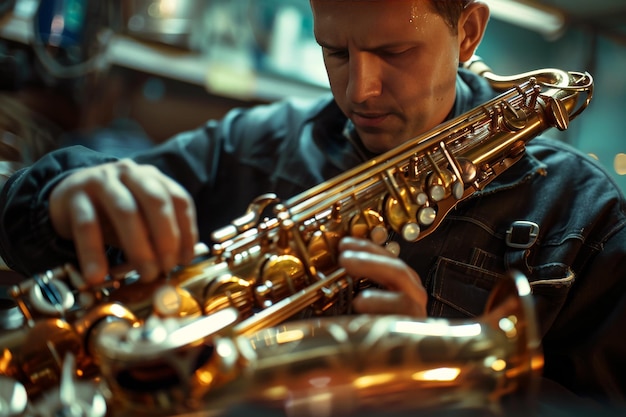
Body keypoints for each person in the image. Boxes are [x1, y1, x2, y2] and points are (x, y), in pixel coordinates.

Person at [0, 0, 625, 415]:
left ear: (467, 32)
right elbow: (32, 215)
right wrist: (62, 190)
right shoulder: (255, 142)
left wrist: (446, 370)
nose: (361, 90)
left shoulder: (584, 213)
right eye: (336, 52)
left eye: (395, 53)